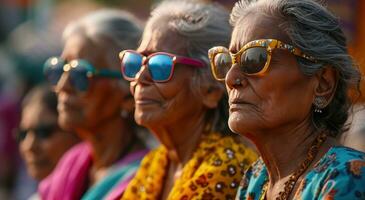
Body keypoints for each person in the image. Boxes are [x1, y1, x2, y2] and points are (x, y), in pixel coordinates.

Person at [208, 0, 365, 199]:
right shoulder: (255, 180)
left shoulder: (348, 177)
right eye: (226, 61)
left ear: (323, 84)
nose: (231, 78)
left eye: (254, 58)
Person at [120, 1, 257, 199]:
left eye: (160, 66)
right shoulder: (155, 164)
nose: (140, 78)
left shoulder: (229, 166)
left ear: (210, 90)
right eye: (135, 62)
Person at [38, 9, 148, 200]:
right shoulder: (73, 164)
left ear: (128, 95)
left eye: (80, 74)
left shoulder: (148, 178)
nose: (62, 86)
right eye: (58, 70)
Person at [17, 84, 79, 199]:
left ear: (77, 132)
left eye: (44, 133)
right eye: (23, 134)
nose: (29, 146)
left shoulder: (110, 191)